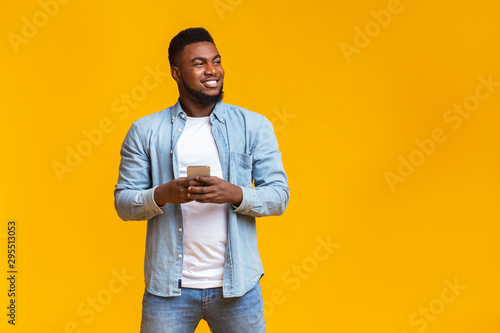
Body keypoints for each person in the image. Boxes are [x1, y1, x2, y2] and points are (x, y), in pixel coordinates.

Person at [114, 27, 289, 333]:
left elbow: (279, 196)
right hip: (168, 291)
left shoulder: (253, 125)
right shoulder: (145, 131)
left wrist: (235, 193)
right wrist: (163, 194)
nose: (212, 71)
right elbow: (123, 203)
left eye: (216, 61)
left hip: (239, 289)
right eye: (199, 63)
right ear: (176, 73)